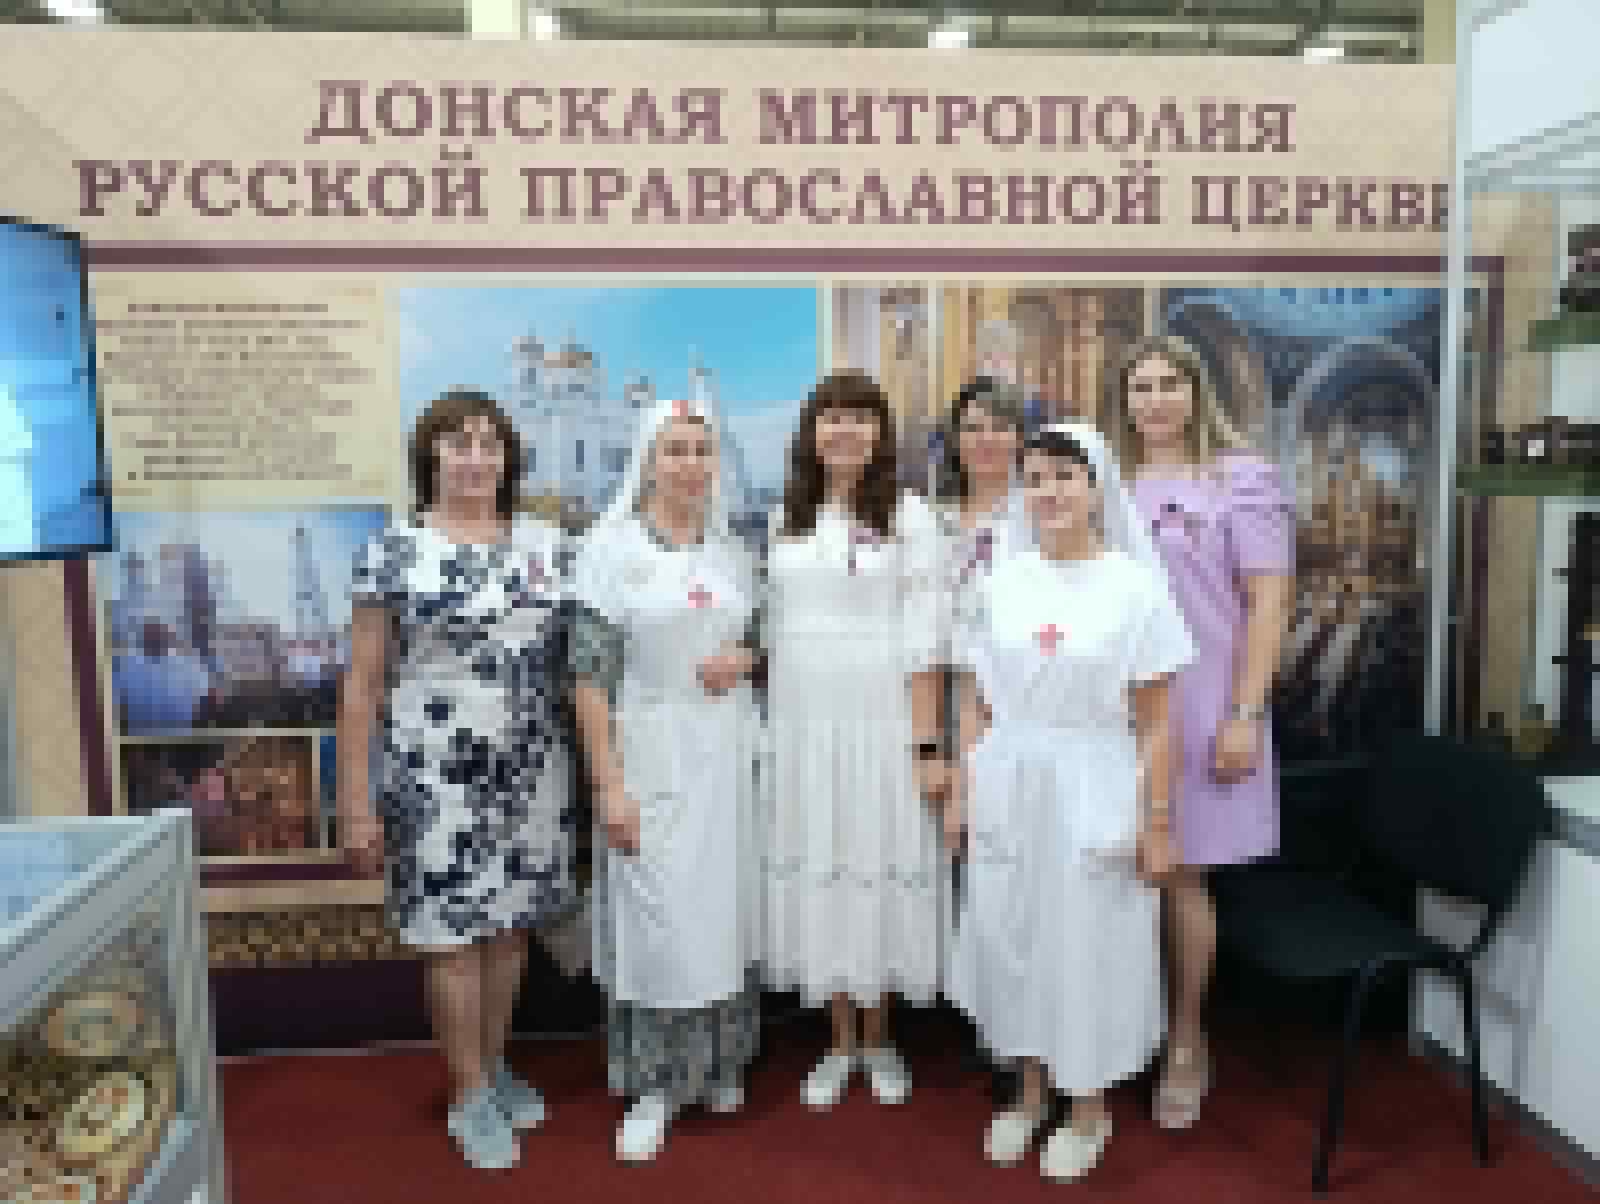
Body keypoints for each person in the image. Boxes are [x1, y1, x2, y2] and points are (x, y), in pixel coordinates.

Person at [943, 422, 1193, 1182]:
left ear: (1097, 488)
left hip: (1095, 777)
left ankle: (1088, 1107)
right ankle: (1029, 1092)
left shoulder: (1135, 588)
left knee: (1087, 945)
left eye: (1066, 475)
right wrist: (964, 789)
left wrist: (1156, 822)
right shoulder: (999, 584)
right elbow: (975, 701)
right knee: (1014, 935)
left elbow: (1159, 722)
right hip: (1011, 779)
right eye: (1036, 477)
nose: (1049, 491)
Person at [338, 389, 578, 1171]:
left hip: (531, 770)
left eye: (488, 443)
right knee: (451, 938)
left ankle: (495, 1066)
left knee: (508, 929)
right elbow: (362, 684)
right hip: (433, 775)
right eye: (457, 443)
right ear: (430, 456)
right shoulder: (393, 550)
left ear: (508, 458)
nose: (475, 458)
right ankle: (467, 1092)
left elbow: (590, 650)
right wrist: (354, 803)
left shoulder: (549, 546)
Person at [571, 396, 763, 1163]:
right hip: (650, 750)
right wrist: (607, 783)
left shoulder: (731, 550)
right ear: (648, 460)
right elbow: (590, 676)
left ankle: (717, 1063)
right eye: (674, 450)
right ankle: (653, 1085)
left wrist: (744, 658)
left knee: (723, 913)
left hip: (727, 756)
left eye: (702, 450)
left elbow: (758, 637)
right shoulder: (610, 550)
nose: (690, 464)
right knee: (657, 917)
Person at [1114, 335, 1296, 1131]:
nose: (1155, 399)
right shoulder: (1108, 485)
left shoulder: (1239, 480)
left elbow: (1270, 603)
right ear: (1123, 402)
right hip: (1114, 710)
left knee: (1183, 879)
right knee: (1119, 877)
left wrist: (1244, 714)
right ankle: (1124, 1029)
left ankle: (1187, 1039)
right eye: (1140, 386)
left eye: (1170, 383)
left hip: (1204, 704)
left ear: (1197, 392)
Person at [759, 371, 949, 1110]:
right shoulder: (786, 517)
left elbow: (927, 640)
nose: (845, 431)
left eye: (861, 418)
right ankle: (838, 1042)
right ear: (812, 432)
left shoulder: (910, 516)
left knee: (879, 863)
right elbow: (771, 628)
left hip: (882, 726)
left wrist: (926, 746)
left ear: (880, 434)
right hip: (806, 726)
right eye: (832, 417)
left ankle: (880, 1038)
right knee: (826, 868)